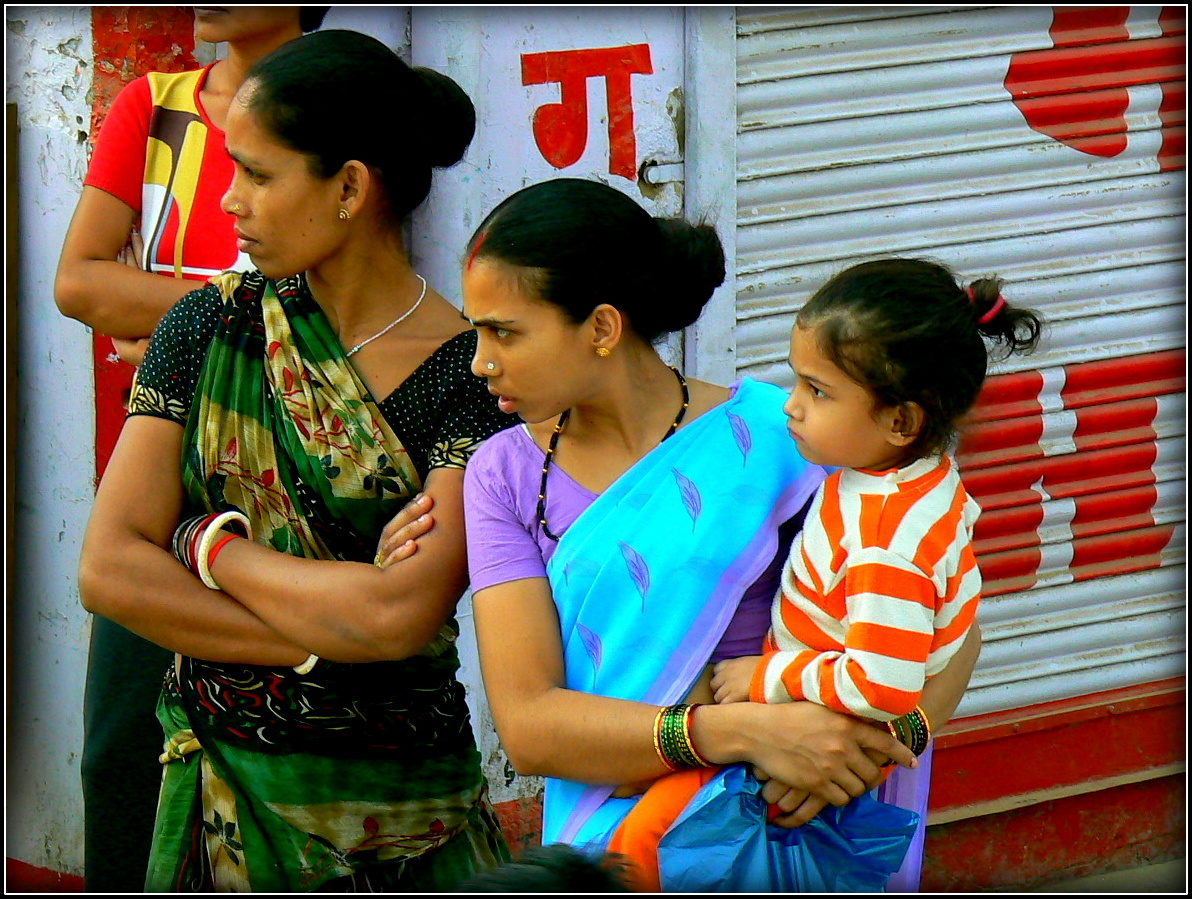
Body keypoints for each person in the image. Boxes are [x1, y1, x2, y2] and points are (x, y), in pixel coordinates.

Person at [377, 180, 983, 891]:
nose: (480, 361)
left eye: (504, 331)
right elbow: (531, 725)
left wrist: (867, 752)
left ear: (602, 327)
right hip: (616, 853)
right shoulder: (503, 476)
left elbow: (948, 620)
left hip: (799, 832)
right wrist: (739, 731)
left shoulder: (779, 437)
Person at [76, 29, 514, 891]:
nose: (231, 201)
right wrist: (318, 637)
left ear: (349, 186)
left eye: (258, 174)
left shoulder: (470, 377)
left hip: (403, 818)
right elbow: (109, 568)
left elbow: (399, 616)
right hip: (221, 804)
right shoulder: (207, 327)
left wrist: (207, 549)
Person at [608, 257, 1043, 890]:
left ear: (901, 420)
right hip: (822, 724)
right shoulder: (898, 480)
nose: (791, 407)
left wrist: (767, 674)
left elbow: (880, 685)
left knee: (644, 842)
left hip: (813, 724)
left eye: (818, 391)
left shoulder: (884, 541)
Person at [53, 8, 327, 892]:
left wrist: (176, 323)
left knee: (275, 751)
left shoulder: (334, 99)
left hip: (293, 479)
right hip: (163, 478)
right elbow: (78, 281)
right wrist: (217, 314)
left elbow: (330, 290)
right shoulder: (157, 104)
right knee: (121, 749)